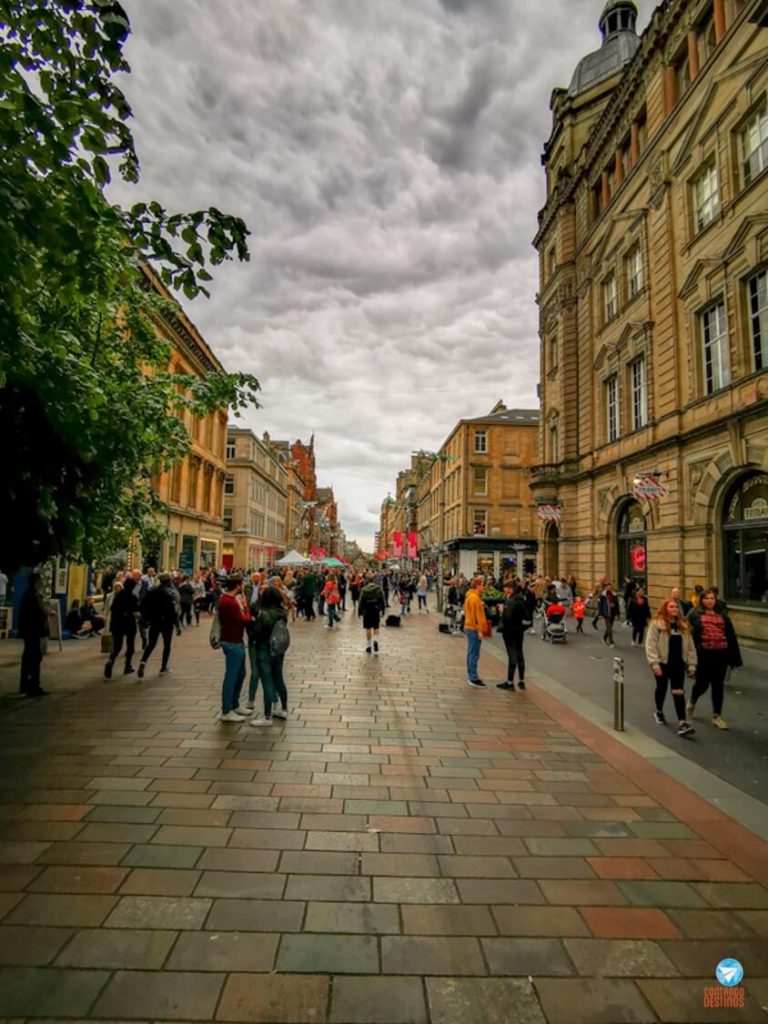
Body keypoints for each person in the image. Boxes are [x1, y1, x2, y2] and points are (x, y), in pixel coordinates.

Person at [687, 587, 742, 730]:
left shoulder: (723, 615)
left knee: (718, 685)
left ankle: (717, 715)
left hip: (721, 654)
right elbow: (686, 633)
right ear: (701, 600)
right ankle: (693, 700)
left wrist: (734, 659)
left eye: (712, 598)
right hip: (703, 654)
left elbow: (731, 637)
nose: (709, 601)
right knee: (702, 684)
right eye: (706, 598)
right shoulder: (694, 614)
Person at [645, 598, 697, 737]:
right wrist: (654, 663)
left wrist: (692, 664)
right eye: (671, 607)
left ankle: (682, 723)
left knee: (678, 691)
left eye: (676, 607)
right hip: (662, 663)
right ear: (665, 609)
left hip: (678, 663)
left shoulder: (683, 626)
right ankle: (659, 711)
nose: (675, 609)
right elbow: (650, 645)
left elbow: (690, 647)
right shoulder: (657, 624)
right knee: (661, 687)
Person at [248, 584, 290, 727]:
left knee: (267, 681)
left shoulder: (264, 614)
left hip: (264, 649)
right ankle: (283, 709)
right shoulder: (282, 612)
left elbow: (257, 631)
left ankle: (267, 716)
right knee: (279, 678)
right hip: (278, 650)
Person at [217, 575, 252, 722]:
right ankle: (227, 710)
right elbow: (243, 620)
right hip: (232, 641)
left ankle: (235, 704)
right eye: (242, 584)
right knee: (232, 676)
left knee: (240, 673)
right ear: (238, 586)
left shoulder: (227, 599)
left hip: (236, 640)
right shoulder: (229, 602)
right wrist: (246, 609)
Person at [137, 572, 179, 678]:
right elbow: (172, 610)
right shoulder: (169, 593)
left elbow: (144, 606)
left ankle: (143, 662)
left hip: (155, 621)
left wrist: (146, 619)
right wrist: (177, 624)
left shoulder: (152, 591)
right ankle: (163, 667)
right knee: (167, 645)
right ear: (168, 581)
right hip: (167, 622)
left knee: (151, 644)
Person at [18, 571, 48, 697]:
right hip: (32, 631)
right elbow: (36, 613)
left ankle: (25, 684)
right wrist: (46, 612)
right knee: (35, 656)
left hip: (30, 631)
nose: (42, 582)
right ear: (36, 582)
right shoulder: (32, 596)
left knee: (29, 657)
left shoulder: (32, 595)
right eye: (40, 580)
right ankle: (33, 685)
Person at [104, 577, 139, 678]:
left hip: (116, 624)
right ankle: (127, 666)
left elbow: (112, 609)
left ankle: (111, 660)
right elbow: (135, 611)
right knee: (130, 646)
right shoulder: (132, 597)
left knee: (117, 646)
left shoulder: (118, 596)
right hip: (129, 623)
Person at [497, 581, 527, 691]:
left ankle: (510, 682)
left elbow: (507, 616)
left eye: (505, 588)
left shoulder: (510, 601)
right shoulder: (521, 599)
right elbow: (526, 615)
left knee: (512, 655)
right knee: (520, 653)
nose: (504, 590)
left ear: (510, 589)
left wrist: (501, 611)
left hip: (509, 631)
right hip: (519, 630)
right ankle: (521, 680)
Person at [463, 576, 488, 688]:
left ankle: (471, 675)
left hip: (470, 627)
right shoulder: (474, 598)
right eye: (483, 585)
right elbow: (475, 617)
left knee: (471, 652)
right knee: (474, 653)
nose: (484, 587)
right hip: (473, 628)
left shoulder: (471, 596)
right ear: (478, 585)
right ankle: (473, 677)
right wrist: (479, 630)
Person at [358, 572, 386, 654]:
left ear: (367, 580)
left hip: (367, 610)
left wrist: (359, 611)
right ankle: (376, 640)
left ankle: (369, 645)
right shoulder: (379, 589)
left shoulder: (364, 589)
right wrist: (383, 609)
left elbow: (360, 602)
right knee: (376, 627)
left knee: (368, 628)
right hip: (376, 610)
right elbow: (382, 600)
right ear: (374, 579)